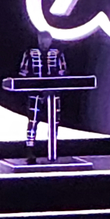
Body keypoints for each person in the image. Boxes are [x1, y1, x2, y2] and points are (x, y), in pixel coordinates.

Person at [19, 29, 68, 159]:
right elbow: (23, 73)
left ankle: (53, 147)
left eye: (46, 41)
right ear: (38, 40)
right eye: (42, 40)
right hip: (35, 92)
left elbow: (63, 72)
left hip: (53, 93)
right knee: (33, 120)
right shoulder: (29, 53)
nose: (44, 43)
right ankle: (30, 148)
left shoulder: (58, 53)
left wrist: (53, 88)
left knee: (54, 121)